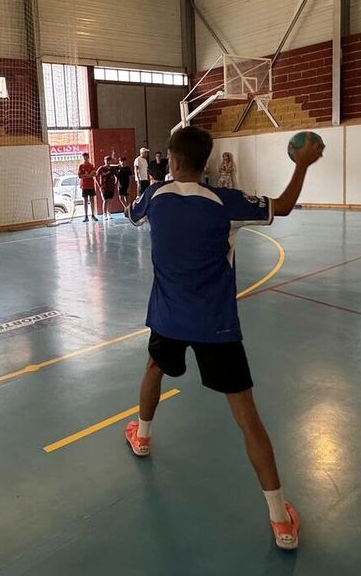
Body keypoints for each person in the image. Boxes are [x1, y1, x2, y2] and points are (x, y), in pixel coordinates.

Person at [122, 126, 324, 551]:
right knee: (246, 414)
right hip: (216, 326)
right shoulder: (225, 203)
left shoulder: (155, 197)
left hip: (168, 319)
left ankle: (142, 436)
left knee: (154, 367)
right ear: (207, 163)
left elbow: (131, 213)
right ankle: (279, 520)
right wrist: (302, 165)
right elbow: (283, 206)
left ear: (172, 161)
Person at [94, 155, 119, 221]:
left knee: (110, 200)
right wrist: (99, 185)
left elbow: (116, 175)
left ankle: (109, 213)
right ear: (104, 161)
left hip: (111, 187)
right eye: (106, 160)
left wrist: (115, 182)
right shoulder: (101, 168)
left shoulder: (112, 169)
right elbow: (96, 176)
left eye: (109, 160)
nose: (108, 162)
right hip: (104, 187)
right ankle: (104, 214)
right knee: (105, 200)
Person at [78, 152, 96, 222]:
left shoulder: (91, 165)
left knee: (92, 200)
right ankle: (86, 216)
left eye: (86, 156)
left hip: (91, 185)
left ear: (88, 157)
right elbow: (79, 176)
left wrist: (86, 175)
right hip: (84, 186)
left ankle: (93, 215)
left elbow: (94, 174)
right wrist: (88, 175)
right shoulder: (81, 166)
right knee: (85, 200)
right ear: (83, 157)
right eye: (84, 156)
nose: (85, 158)